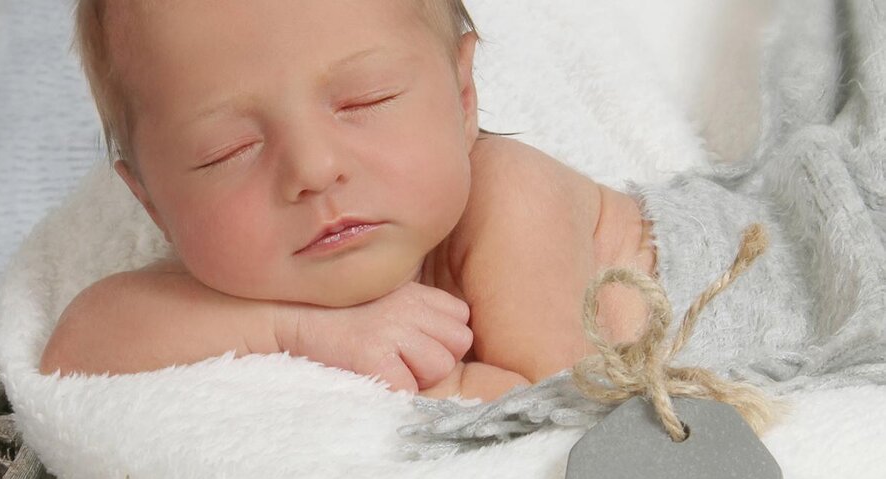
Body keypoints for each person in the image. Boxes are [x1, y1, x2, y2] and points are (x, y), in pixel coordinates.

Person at [39, 0, 657, 401]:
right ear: (154, 205)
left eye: (365, 100)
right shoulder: (246, 280)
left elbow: (562, 419)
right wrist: (298, 332)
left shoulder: (513, 200)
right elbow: (75, 352)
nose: (313, 169)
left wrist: (420, 383)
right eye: (227, 150)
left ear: (463, 96)